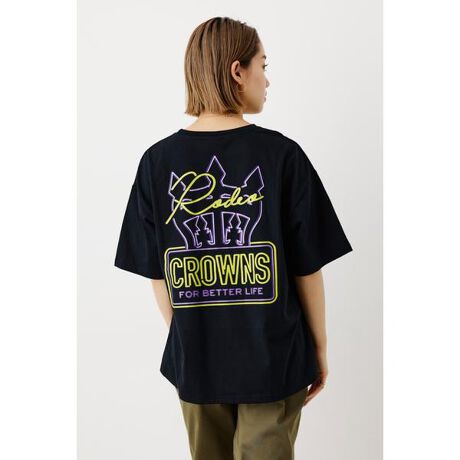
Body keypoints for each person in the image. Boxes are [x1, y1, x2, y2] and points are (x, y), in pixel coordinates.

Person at [114, 16, 353, 460]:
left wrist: (191, 335)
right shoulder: (282, 156)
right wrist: (319, 347)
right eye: (263, 65)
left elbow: (158, 274)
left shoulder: (156, 162)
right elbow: (307, 268)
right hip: (274, 357)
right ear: (237, 71)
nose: (268, 79)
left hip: (197, 362)